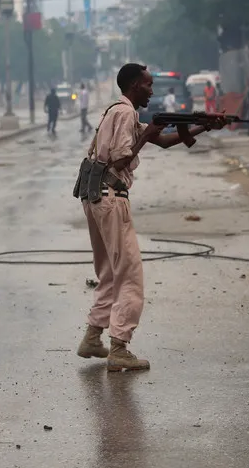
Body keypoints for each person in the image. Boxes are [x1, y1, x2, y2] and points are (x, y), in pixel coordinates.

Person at [76, 63, 225, 371]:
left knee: (108, 272)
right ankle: (119, 347)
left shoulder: (115, 111)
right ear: (133, 86)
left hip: (94, 197)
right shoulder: (126, 114)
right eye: (148, 85)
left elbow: (168, 141)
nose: (152, 90)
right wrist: (146, 137)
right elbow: (121, 158)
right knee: (129, 274)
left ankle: (93, 336)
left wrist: (204, 126)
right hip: (111, 199)